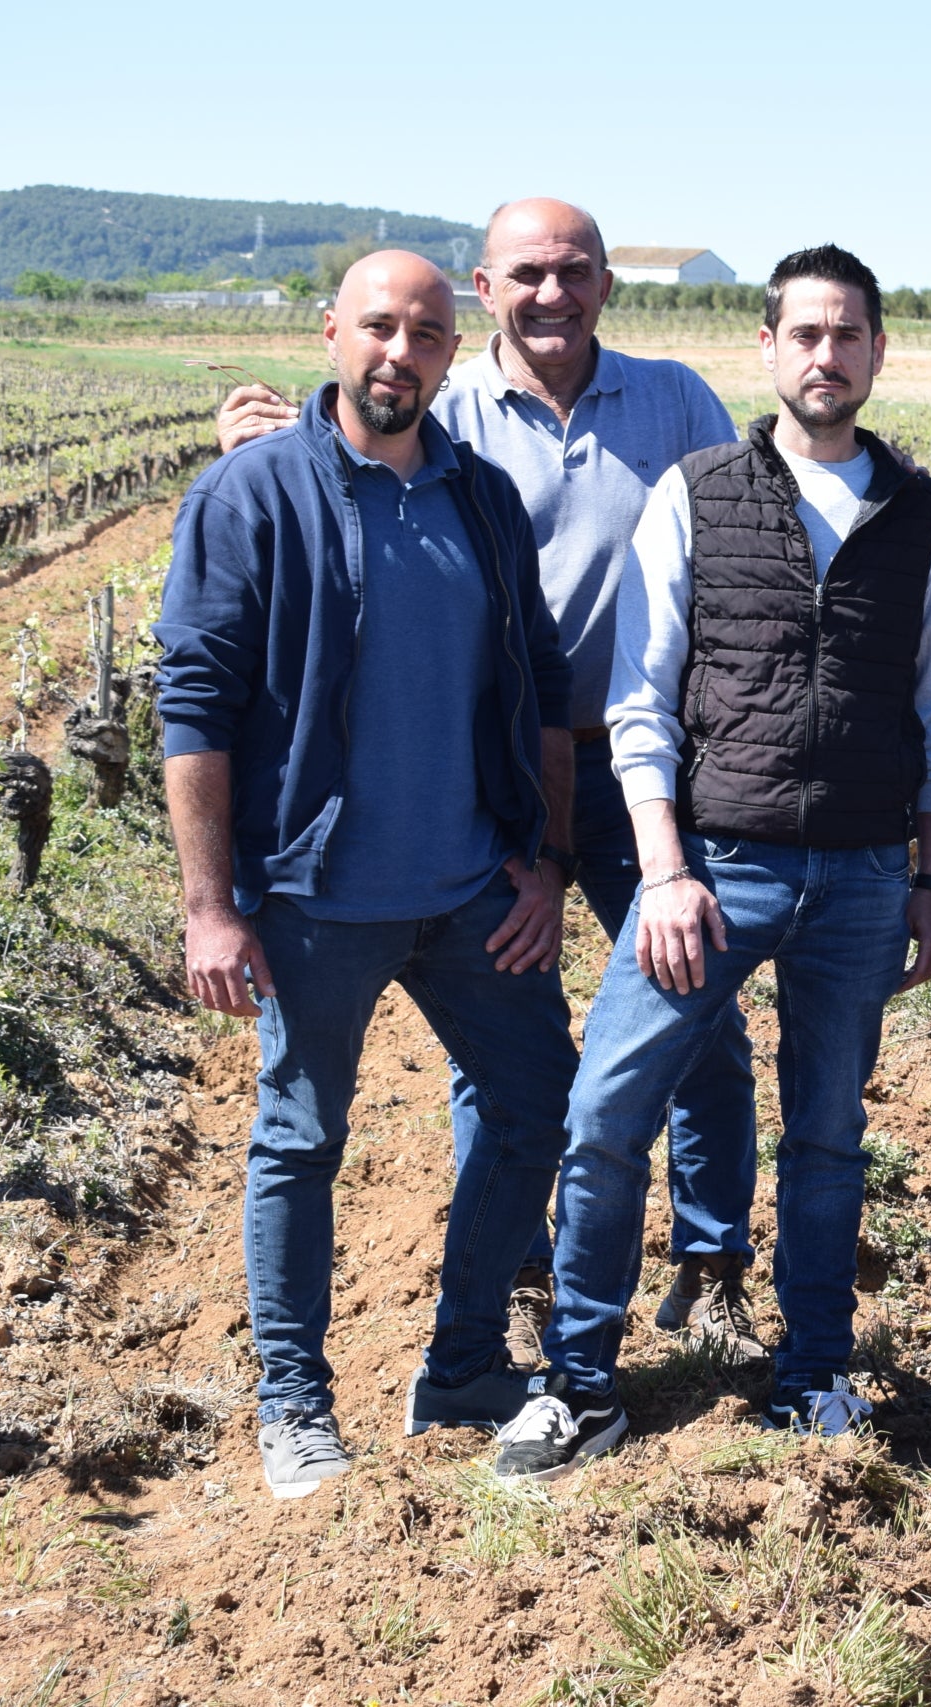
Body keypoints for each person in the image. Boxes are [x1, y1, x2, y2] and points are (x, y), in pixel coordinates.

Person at [217, 200, 757, 1366]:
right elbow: (334, 461)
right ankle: (510, 1272)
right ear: (483, 292)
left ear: (608, 282)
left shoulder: (677, 401)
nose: (551, 293)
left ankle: (710, 1262)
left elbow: (747, 526)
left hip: (652, 767)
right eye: (527, 274)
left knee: (697, 1014)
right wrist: (250, 450)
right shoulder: (444, 411)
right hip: (501, 775)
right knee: (500, 1039)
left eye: (574, 271)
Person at [490, 245, 931, 1483]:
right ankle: (581, 1380)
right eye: (803, 334)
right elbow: (642, 698)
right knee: (607, 1112)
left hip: (865, 877)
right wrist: (662, 871)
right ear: (766, 351)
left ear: (877, 353)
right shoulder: (698, 489)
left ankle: (810, 1372)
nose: (826, 356)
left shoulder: (925, 514)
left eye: (848, 335)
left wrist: (929, 877)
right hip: (716, 864)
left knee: (824, 1136)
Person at [155, 252, 578, 1500]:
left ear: (458, 350)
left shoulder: (481, 498)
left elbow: (541, 689)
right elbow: (195, 706)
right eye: (379, 327)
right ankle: (294, 1407)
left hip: (466, 894)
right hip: (313, 897)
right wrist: (209, 906)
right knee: (300, 1138)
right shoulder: (253, 492)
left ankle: (460, 1365)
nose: (401, 352)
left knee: (536, 1099)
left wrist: (545, 862)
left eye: (428, 333)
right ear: (334, 331)